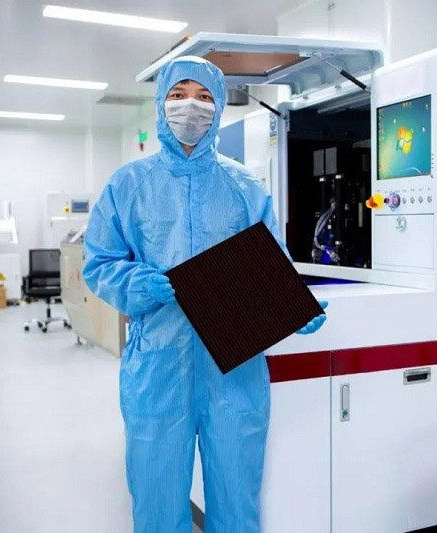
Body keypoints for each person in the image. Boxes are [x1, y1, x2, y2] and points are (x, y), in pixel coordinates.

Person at [83, 56, 327, 532]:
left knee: (237, 503)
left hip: (235, 373)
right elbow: (99, 264)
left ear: (218, 108)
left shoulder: (245, 187)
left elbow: (272, 265)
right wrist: (142, 284)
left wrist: (294, 306)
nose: (189, 107)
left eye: (203, 97)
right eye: (178, 95)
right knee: (156, 504)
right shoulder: (128, 185)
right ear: (160, 103)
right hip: (157, 370)